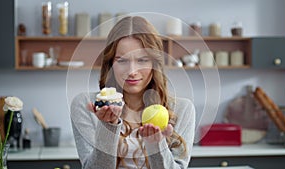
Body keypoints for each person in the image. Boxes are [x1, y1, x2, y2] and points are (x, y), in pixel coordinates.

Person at [70, 15, 196, 169]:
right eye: (122, 60)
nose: (132, 71)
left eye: (142, 60)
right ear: (110, 64)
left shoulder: (182, 109)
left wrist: (156, 146)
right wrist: (108, 127)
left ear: (154, 64)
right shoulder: (86, 105)